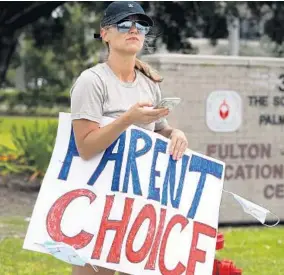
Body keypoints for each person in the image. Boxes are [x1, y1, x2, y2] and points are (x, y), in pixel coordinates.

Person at [70, 1, 188, 274]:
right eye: (124, 24)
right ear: (105, 34)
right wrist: (127, 120)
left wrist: (176, 133)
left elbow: (158, 130)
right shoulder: (92, 81)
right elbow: (86, 147)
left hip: (139, 202)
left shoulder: (148, 82)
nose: (134, 30)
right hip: (98, 200)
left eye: (141, 25)